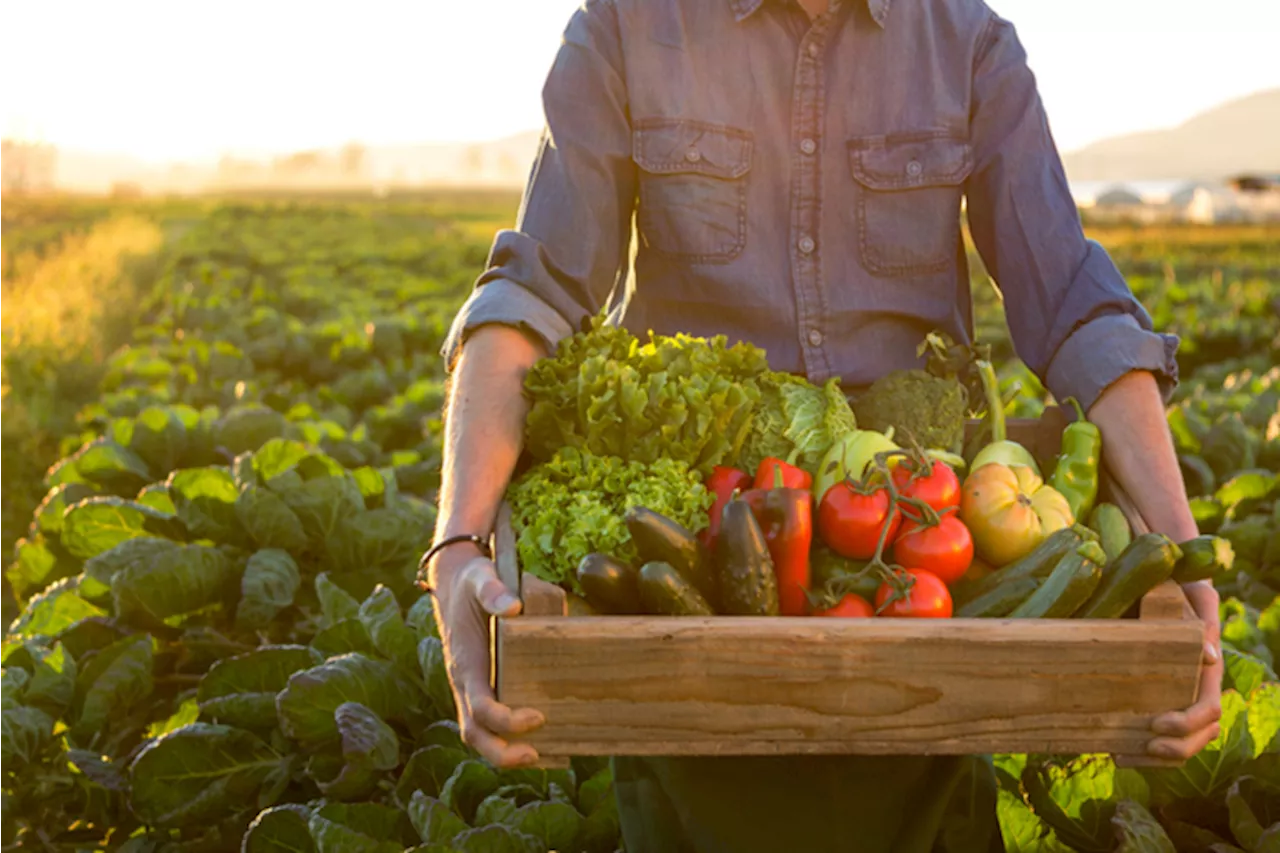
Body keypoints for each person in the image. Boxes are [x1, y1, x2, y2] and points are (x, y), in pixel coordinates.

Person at [422, 0, 1224, 849]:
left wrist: (1182, 563)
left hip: (918, 560)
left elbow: (1076, 309)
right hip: (694, 569)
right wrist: (457, 544)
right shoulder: (627, 26)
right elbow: (531, 294)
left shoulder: (969, 43)